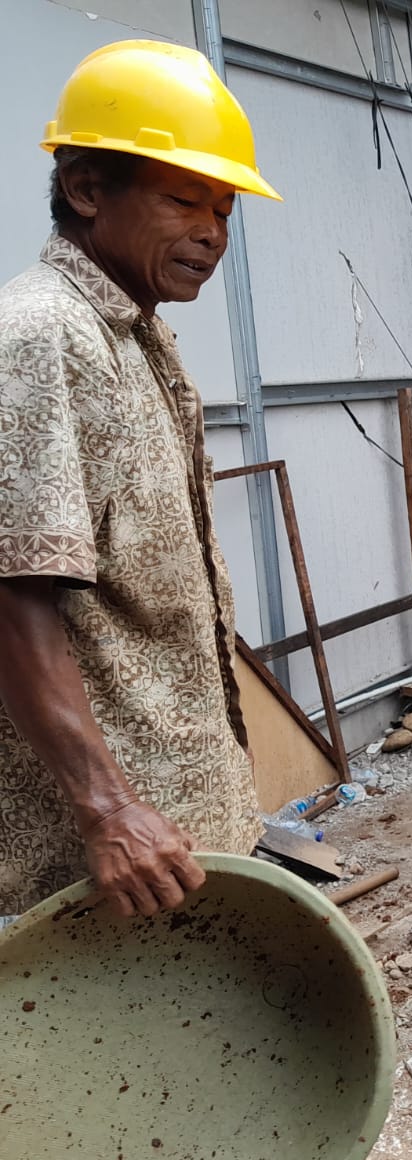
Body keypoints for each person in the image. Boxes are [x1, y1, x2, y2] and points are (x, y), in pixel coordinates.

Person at [0, 41, 281, 924]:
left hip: (179, 837)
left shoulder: (139, 337)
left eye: (225, 210)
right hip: (112, 861)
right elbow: (15, 594)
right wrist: (108, 807)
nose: (211, 232)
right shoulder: (45, 334)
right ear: (87, 190)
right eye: (181, 198)